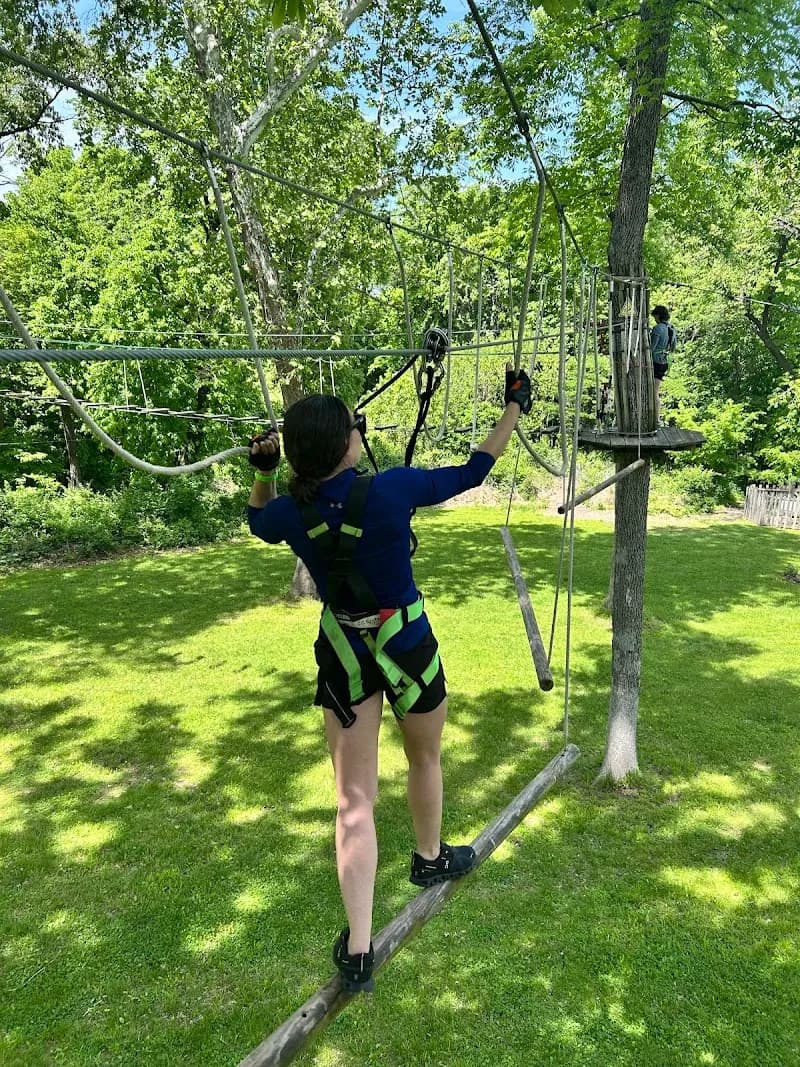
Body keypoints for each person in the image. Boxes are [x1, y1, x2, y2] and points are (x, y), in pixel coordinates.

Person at [247, 363, 532, 993]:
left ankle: (358, 947)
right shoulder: (395, 488)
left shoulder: (292, 514)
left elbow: (256, 519)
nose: (360, 429)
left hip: (344, 648)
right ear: (347, 444)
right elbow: (474, 469)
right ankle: (429, 859)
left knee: (354, 802)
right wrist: (513, 405)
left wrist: (263, 471)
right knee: (424, 759)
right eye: (354, 426)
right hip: (405, 640)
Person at [650, 305, 676, 425]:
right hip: (665, 361)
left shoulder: (657, 329)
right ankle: (656, 418)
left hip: (655, 362)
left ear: (658, 315)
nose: (654, 319)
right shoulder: (672, 328)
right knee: (655, 391)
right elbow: (673, 347)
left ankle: (655, 419)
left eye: (655, 316)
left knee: (654, 392)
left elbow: (651, 348)